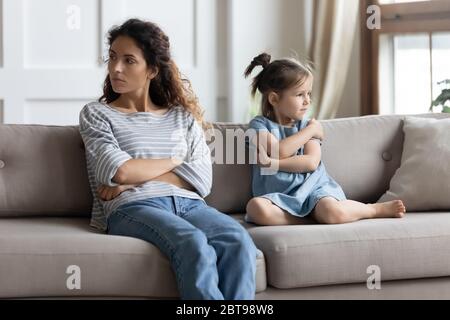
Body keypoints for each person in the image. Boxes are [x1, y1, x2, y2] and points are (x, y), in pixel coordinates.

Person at [78, 18, 257, 300]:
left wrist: (139, 175)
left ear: (152, 69)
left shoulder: (181, 117)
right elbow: (119, 171)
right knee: (193, 243)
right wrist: (175, 160)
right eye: (112, 57)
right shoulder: (97, 114)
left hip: (190, 205)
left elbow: (201, 179)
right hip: (133, 207)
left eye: (128, 60)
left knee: (239, 241)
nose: (115, 68)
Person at [244, 53, 406, 226]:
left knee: (332, 212)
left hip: (314, 191)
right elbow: (279, 151)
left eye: (309, 94)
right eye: (300, 95)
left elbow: (311, 162)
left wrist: (272, 164)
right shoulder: (259, 125)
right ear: (274, 99)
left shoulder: (308, 125)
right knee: (255, 208)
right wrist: (309, 132)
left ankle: (373, 209)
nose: (307, 101)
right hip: (277, 198)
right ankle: (308, 220)